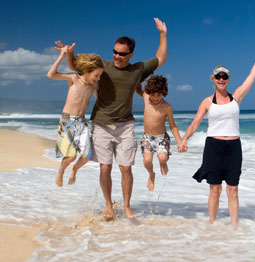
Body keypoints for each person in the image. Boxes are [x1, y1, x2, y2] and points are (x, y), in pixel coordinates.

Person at [55, 18, 167, 219]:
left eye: (122, 53)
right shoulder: (102, 67)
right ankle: (108, 206)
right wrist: (68, 53)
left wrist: (162, 35)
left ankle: (126, 206)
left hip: (125, 126)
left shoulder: (137, 70)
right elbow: (77, 67)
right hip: (101, 124)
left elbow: (160, 58)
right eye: (115, 51)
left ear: (130, 54)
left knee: (125, 168)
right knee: (105, 167)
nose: (117, 56)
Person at [179, 42, 255, 228]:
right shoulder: (206, 102)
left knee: (233, 189)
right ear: (213, 79)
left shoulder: (236, 97)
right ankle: (212, 225)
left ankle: (234, 228)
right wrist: (184, 139)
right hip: (214, 148)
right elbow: (195, 123)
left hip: (234, 148)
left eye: (224, 76)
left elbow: (252, 76)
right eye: (218, 76)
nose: (221, 79)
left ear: (228, 78)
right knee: (214, 190)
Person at [47, 46, 104, 187]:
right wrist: (62, 55)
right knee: (71, 156)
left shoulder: (93, 86)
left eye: (100, 76)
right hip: (67, 120)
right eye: (96, 75)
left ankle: (75, 170)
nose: (98, 78)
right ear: (86, 71)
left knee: (87, 156)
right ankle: (61, 171)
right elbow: (51, 75)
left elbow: (100, 102)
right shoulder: (74, 78)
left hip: (81, 122)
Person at [136, 75, 182, 191]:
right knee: (147, 160)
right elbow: (138, 89)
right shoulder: (146, 97)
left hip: (161, 138)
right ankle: (151, 174)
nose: (155, 98)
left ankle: (163, 163)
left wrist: (180, 141)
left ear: (163, 93)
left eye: (158, 95)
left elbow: (173, 126)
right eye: (153, 95)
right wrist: (138, 78)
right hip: (147, 137)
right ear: (149, 92)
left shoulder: (167, 107)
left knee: (162, 158)